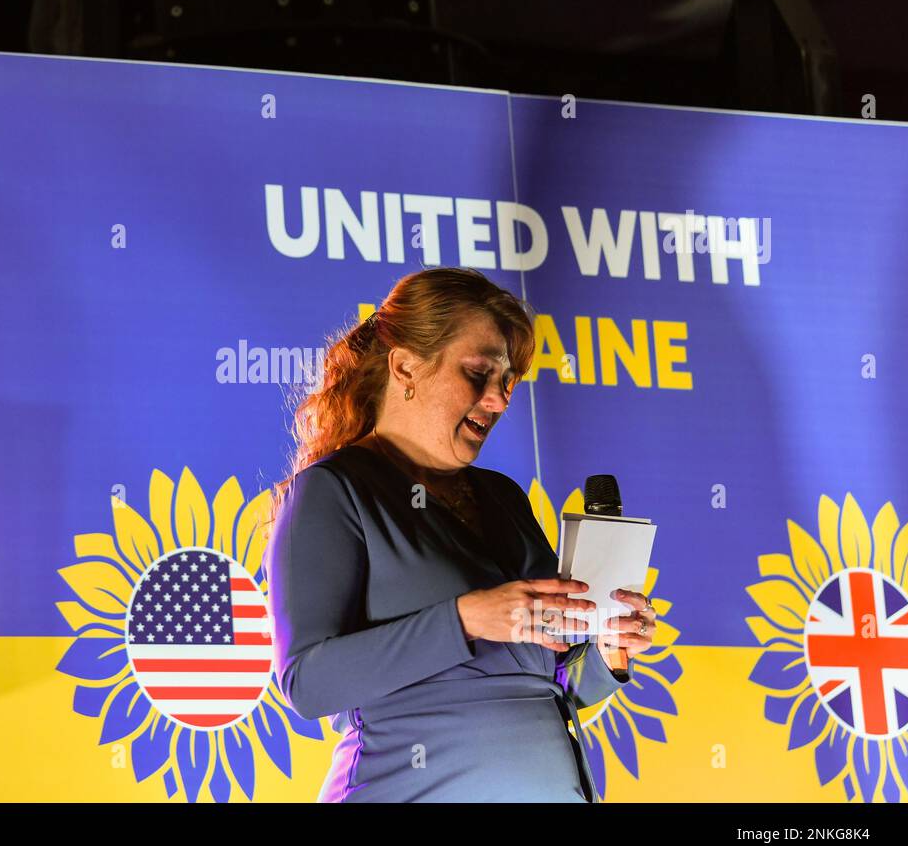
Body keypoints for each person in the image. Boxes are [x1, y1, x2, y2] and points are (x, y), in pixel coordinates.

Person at [265, 267, 657, 802]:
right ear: (405, 366)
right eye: (478, 373)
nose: (498, 400)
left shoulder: (504, 497)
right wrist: (468, 618)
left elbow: (551, 684)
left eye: (508, 381)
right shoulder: (333, 491)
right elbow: (308, 684)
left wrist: (608, 655)